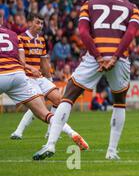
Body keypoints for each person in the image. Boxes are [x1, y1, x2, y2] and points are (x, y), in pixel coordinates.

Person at [33, 0, 139, 160]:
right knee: (119, 103)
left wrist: (99, 57)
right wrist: (114, 57)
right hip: (120, 59)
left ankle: (50, 145)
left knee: (68, 96)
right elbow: (130, 35)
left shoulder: (89, 5)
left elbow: (83, 33)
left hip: (94, 57)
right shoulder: (133, 8)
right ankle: (111, 151)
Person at [10, 13, 88, 150]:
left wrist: (50, 79)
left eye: (41, 23)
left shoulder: (41, 40)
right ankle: (68, 133)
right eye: (37, 23)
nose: (40, 26)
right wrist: (30, 68)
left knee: (59, 100)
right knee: (40, 109)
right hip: (27, 79)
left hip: (40, 78)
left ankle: (45, 131)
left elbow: (44, 61)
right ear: (29, 22)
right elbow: (20, 62)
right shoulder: (20, 38)